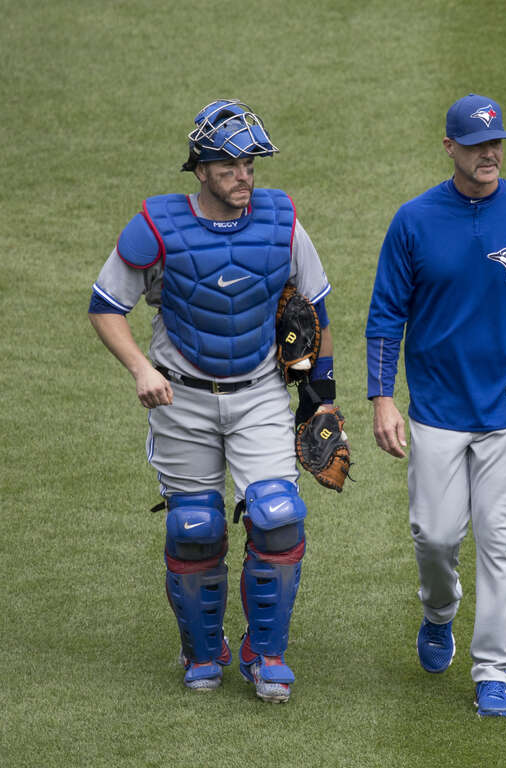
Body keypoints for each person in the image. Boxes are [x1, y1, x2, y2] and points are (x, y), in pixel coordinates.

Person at [89, 99, 340, 703]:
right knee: (194, 526)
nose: (243, 176)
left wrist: (319, 398)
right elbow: (105, 307)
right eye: (228, 166)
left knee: (278, 515)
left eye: (249, 165)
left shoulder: (283, 224)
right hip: (181, 396)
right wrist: (140, 369)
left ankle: (265, 653)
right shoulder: (157, 227)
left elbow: (317, 311)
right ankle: (203, 651)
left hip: (259, 394)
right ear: (200, 170)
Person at [365, 93, 506, 717]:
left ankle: (493, 672)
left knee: (500, 541)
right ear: (449, 147)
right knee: (434, 536)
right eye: (477, 144)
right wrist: (382, 398)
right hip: (436, 408)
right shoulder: (413, 221)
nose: (490, 153)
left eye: (496, 143)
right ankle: (439, 613)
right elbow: (386, 315)